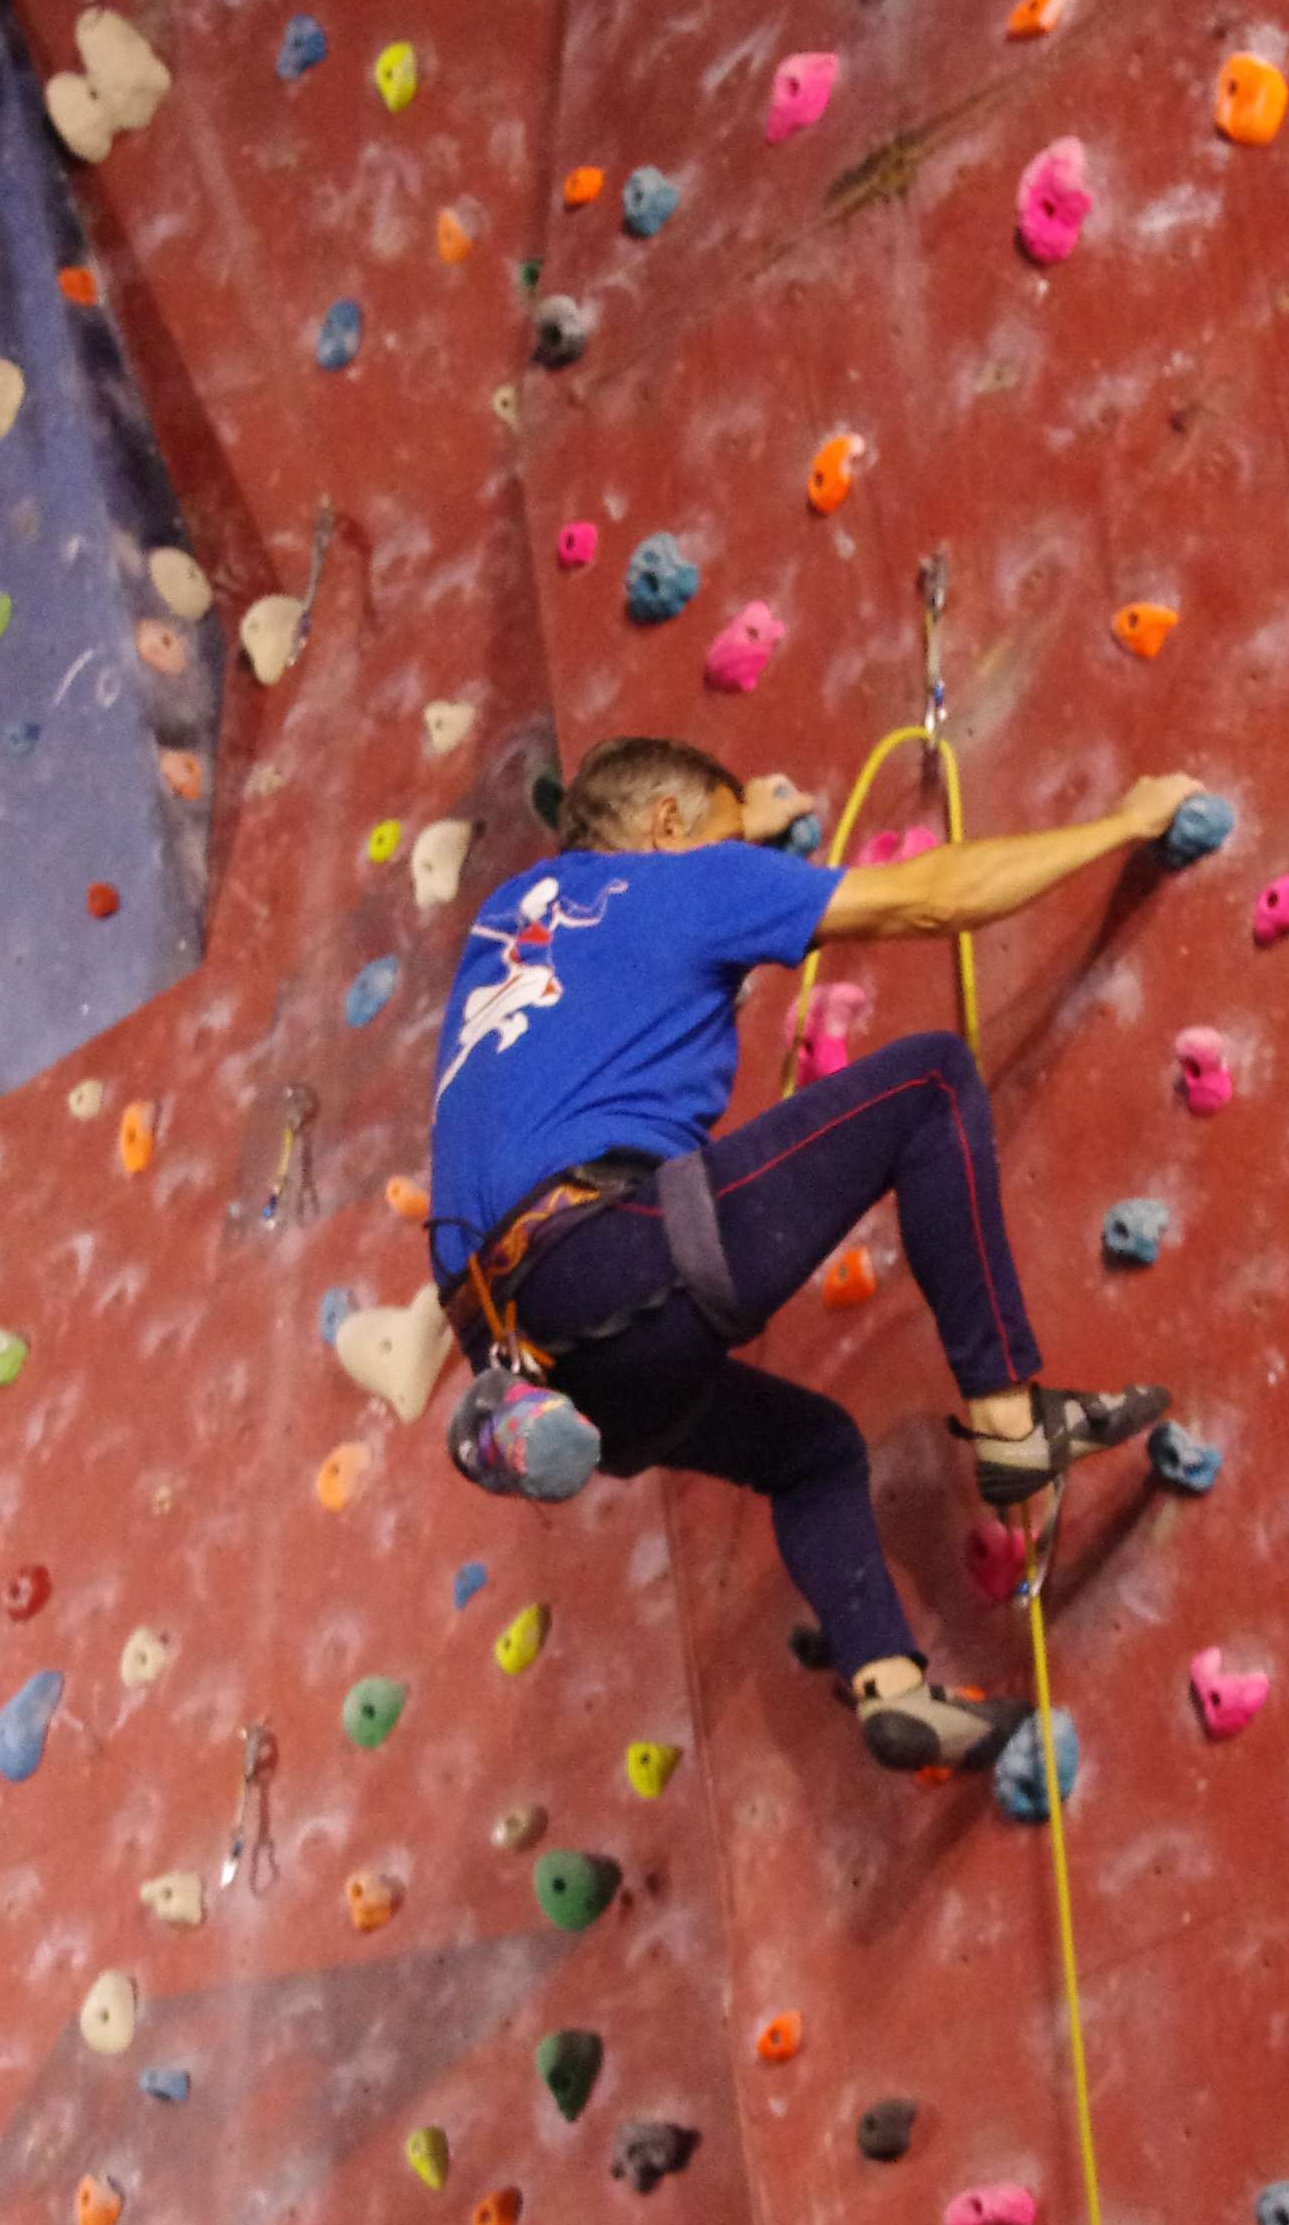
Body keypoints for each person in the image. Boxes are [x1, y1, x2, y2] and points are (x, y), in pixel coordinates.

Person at [426, 734, 1192, 1775]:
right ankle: (1012, 1420)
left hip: (533, 1351)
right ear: (668, 832)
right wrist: (1124, 821)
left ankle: (892, 1686)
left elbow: (635, 941)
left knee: (810, 1450)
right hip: (611, 1254)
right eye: (720, 829)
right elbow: (929, 895)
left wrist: (748, 818)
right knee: (926, 1084)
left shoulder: (507, 920)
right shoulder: (687, 882)